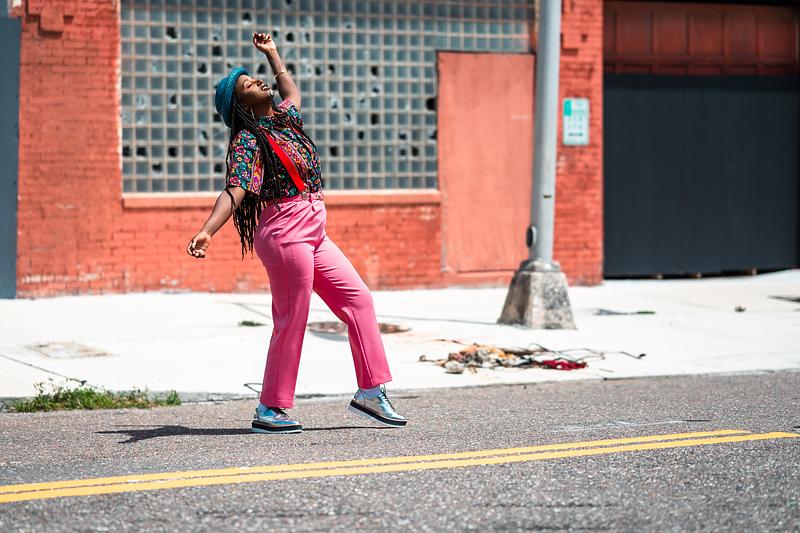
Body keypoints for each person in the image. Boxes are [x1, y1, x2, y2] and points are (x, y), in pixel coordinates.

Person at [186, 32, 406, 434]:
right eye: (247, 85)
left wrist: (273, 54)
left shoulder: (285, 121)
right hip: (285, 233)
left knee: (358, 300)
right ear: (241, 105)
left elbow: (291, 91)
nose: (258, 81)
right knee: (292, 318)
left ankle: (371, 392)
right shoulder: (249, 141)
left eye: (254, 77)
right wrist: (207, 230)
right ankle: (270, 407)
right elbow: (236, 189)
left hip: (314, 229)